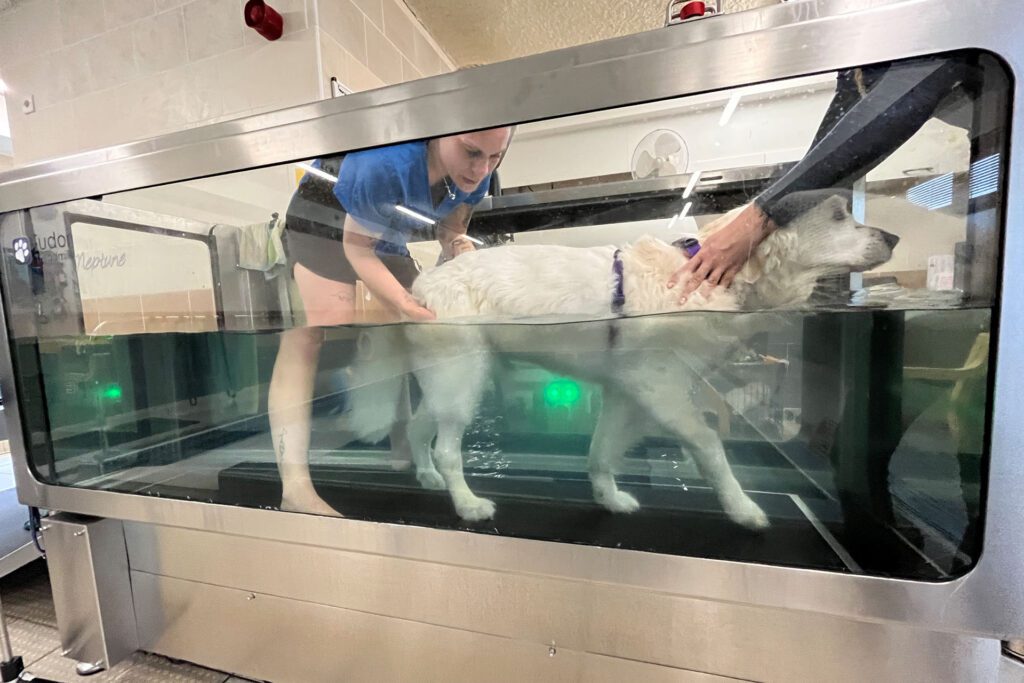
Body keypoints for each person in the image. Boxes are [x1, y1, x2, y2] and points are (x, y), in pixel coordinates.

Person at [268, 128, 515, 514]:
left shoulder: (481, 172)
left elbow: (451, 228)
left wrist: (459, 248)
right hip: (321, 217)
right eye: (470, 152)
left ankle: (405, 445)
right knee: (314, 333)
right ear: (439, 135)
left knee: (406, 329)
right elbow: (356, 246)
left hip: (382, 228)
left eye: (494, 157)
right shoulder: (384, 164)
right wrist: (402, 302)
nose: (481, 169)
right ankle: (294, 489)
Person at [669, 54, 976, 299]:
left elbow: (908, 92)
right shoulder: (860, 59)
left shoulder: (907, 31)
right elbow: (831, 152)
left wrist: (757, 220)